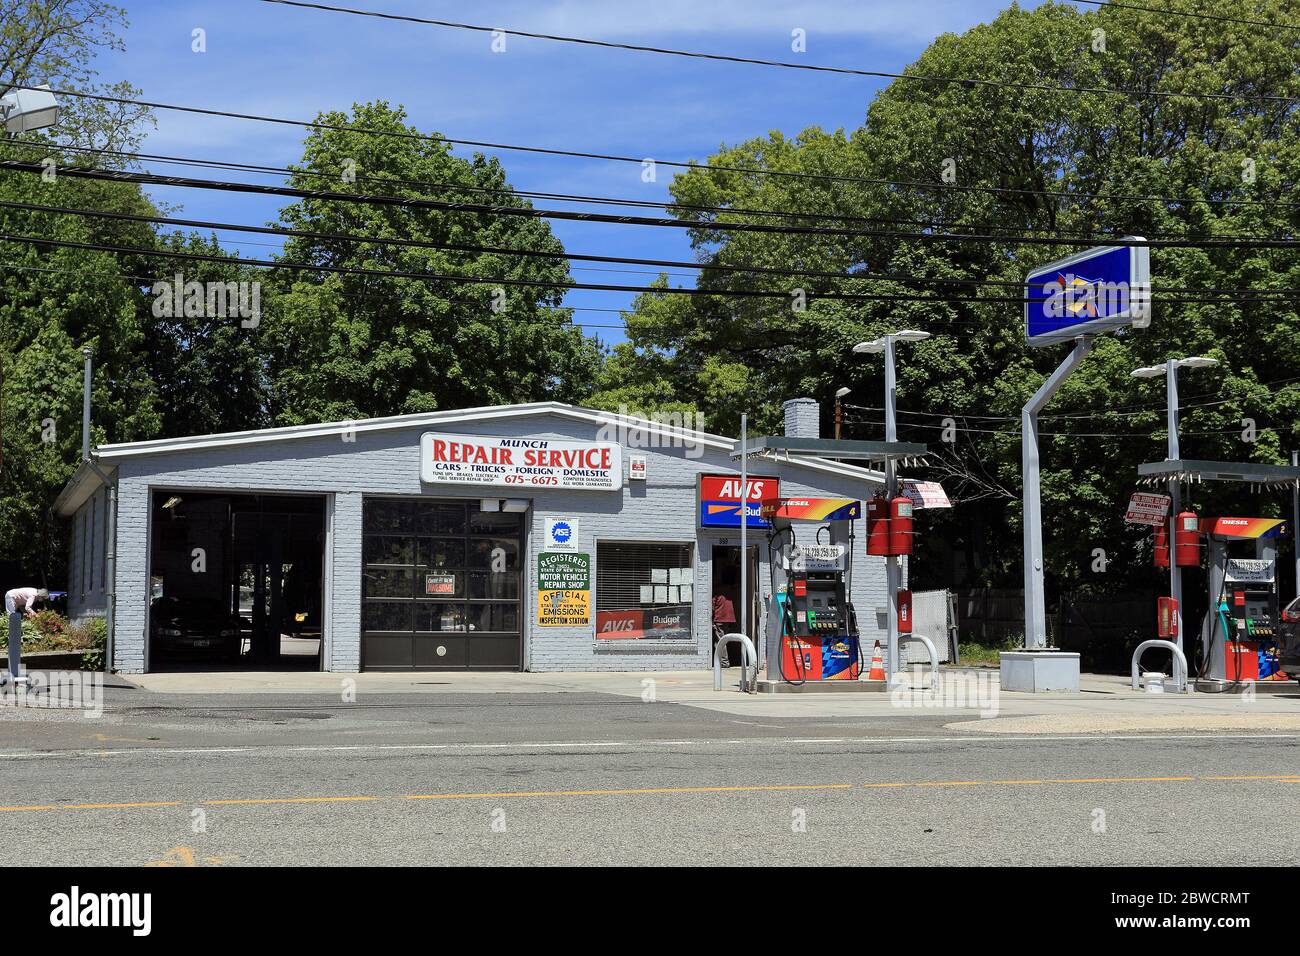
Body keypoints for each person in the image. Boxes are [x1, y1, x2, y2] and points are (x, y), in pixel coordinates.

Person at [4, 587, 48, 687]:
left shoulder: (33, 592)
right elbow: (28, 607)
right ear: (41, 596)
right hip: (11, 596)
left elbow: (22, 605)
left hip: (13, 597)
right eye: (43, 598)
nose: (42, 600)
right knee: (12, 617)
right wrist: (36, 615)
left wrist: (25, 613)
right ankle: (9, 633)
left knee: (16, 616)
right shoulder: (33, 595)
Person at [712, 590, 737, 667]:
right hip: (729, 620)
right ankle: (721, 661)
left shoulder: (716, 595)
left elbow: (712, 608)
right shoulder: (729, 594)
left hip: (719, 619)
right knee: (723, 641)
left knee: (720, 641)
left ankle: (724, 662)